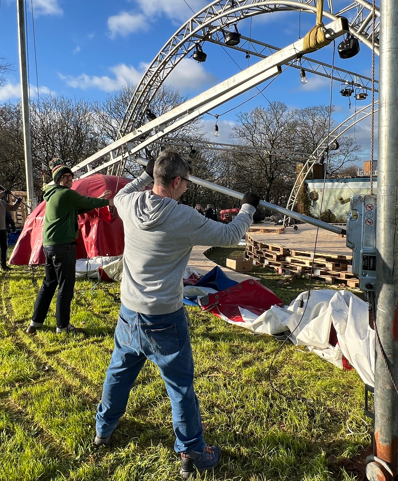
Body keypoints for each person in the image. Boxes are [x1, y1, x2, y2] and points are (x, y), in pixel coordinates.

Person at [93, 150, 260, 479]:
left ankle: (103, 431)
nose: (186, 189)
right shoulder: (182, 218)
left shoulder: (129, 203)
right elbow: (230, 235)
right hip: (164, 319)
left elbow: (121, 193)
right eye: (184, 183)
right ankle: (192, 451)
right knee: (180, 387)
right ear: (178, 181)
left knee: (118, 374)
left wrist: (143, 174)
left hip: (130, 314)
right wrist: (248, 207)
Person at [26, 160, 112, 334]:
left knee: (49, 284)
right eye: (64, 177)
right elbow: (86, 202)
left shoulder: (53, 195)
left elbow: (75, 210)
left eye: (70, 176)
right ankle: (63, 326)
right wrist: (106, 202)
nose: (68, 179)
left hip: (50, 246)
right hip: (62, 247)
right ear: (58, 179)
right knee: (66, 286)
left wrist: (99, 200)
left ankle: (35, 322)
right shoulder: (65, 194)